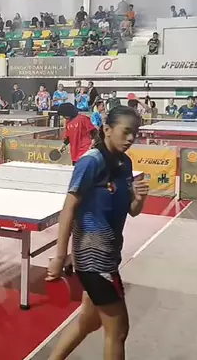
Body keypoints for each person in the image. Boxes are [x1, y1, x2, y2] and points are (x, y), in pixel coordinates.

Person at [48, 106, 149, 360]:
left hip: (110, 254)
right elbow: (68, 209)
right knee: (118, 331)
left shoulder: (125, 163)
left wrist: (139, 199)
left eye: (135, 133)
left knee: (89, 322)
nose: (131, 138)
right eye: (126, 132)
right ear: (107, 129)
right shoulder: (91, 162)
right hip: (94, 259)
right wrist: (60, 256)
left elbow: (132, 211)